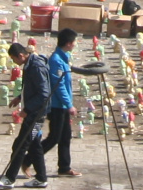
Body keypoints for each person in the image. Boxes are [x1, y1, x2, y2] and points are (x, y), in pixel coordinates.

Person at [0, 45, 53, 187]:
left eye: (14, 59)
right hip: (34, 111)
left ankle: (9, 179)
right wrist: (19, 97)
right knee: (35, 146)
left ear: (21, 55)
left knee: (20, 145)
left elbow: (43, 93)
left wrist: (27, 109)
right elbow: (31, 88)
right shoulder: (30, 64)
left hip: (37, 114)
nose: (14, 62)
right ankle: (41, 178)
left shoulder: (36, 67)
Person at [38, 30, 79, 177]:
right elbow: (59, 85)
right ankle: (28, 159)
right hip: (57, 106)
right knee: (54, 138)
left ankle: (64, 167)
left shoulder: (63, 58)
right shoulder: (56, 60)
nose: (75, 44)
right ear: (68, 43)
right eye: (74, 41)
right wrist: (69, 105)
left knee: (65, 137)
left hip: (62, 106)